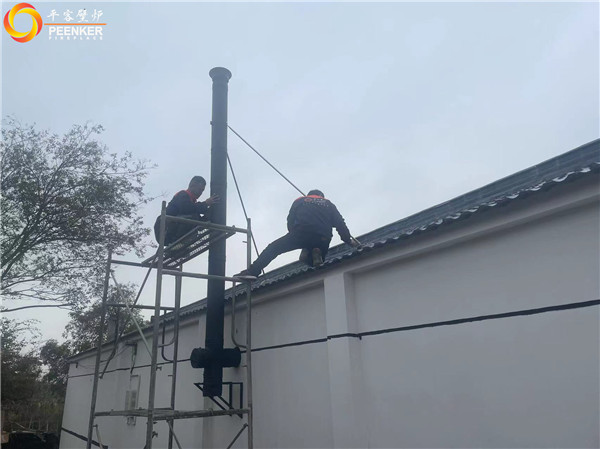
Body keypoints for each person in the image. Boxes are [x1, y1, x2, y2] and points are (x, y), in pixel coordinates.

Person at [236, 189, 360, 278]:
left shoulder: (300, 200)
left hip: (301, 233)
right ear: (321, 196)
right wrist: (348, 240)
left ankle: (253, 271)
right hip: (323, 237)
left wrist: (293, 235)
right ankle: (315, 250)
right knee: (316, 260)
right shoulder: (329, 204)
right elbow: (340, 224)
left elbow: (290, 220)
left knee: (274, 248)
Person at [154, 176, 218, 246]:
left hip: (170, 230)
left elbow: (198, 220)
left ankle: (180, 243)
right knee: (193, 218)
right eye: (200, 189)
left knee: (195, 219)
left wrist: (209, 214)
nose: (201, 192)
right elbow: (186, 208)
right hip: (164, 230)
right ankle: (178, 243)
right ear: (192, 185)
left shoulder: (192, 204)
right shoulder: (182, 195)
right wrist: (205, 204)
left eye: (202, 191)